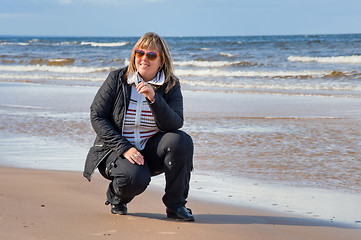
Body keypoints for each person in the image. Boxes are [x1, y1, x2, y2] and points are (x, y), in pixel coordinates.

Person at [83, 32, 194, 221]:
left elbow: (175, 123)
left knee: (181, 140)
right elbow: (97, 116)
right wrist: (124, 148)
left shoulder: (170, 85)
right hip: (116, 151)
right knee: (135, 179)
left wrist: (153, 98)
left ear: (162, 60)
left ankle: (176, 206)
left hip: (150, 151)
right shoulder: (117, 79)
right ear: (134, 55)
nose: (144, 59)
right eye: (139, 53)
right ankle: (116, 197)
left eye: (151, 55)